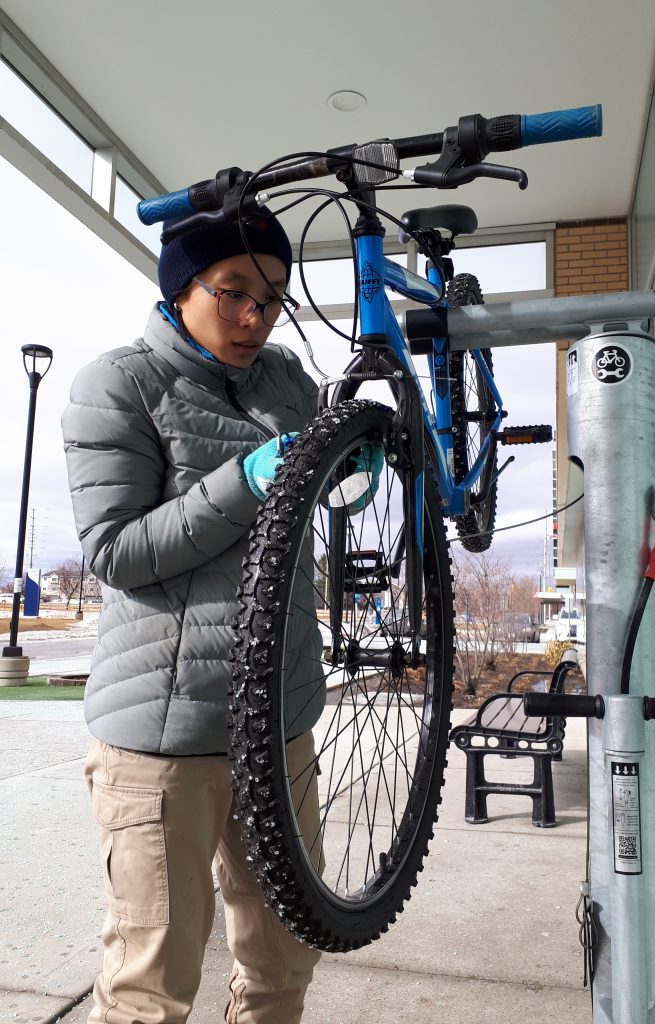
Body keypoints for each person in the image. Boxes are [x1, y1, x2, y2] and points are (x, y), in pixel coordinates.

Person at [62, 209, 326, 1024]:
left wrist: (357, 476)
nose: (255, 316)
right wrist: (242, 481)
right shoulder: (119, 383)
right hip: (163, 741)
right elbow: (117, 552)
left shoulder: (288, 382)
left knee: (286, 956)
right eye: (233, 292)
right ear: (180, 291)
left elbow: (326, 497)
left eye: (274, 297)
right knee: (153, 983)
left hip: (278, 728)